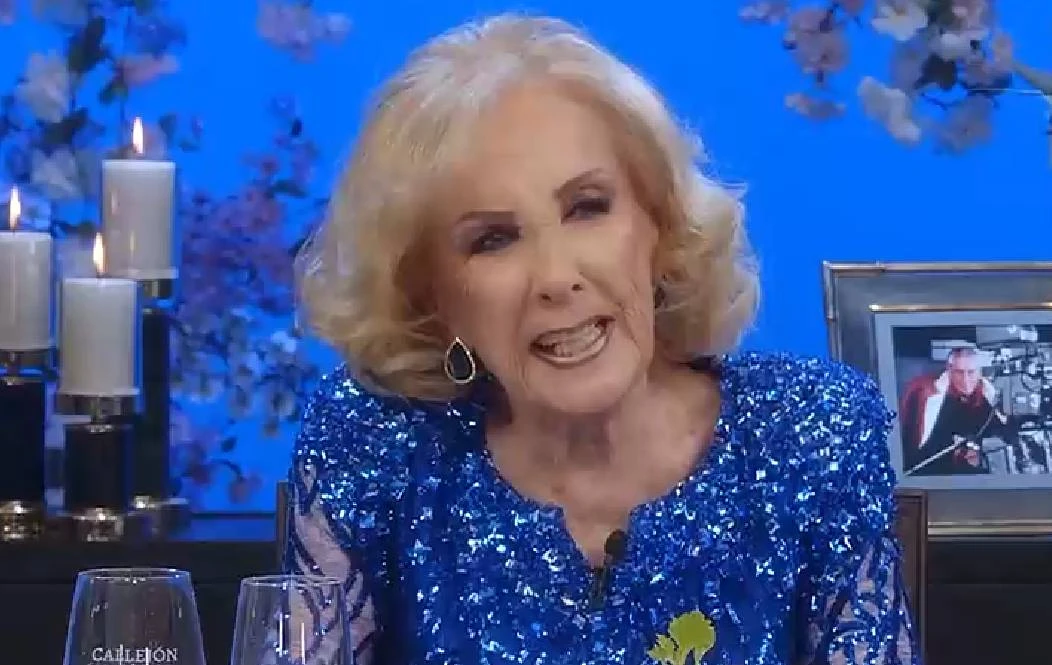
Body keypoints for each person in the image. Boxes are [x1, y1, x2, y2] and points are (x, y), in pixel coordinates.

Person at [287, 14, 919, 665]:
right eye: (493, 240)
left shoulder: (809, 433)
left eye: (587, 207)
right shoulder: (375, 440)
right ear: (434, 298)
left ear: (659, 224)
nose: (557, 277)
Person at [898, 346, 1008, 476]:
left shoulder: (990, 396)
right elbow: (914, 446)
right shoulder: (924, 392)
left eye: (971, 372)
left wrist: (980, 454)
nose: (966, 380)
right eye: (959, 372)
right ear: (949, 370)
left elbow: (1001, 435)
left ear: (979, 372)